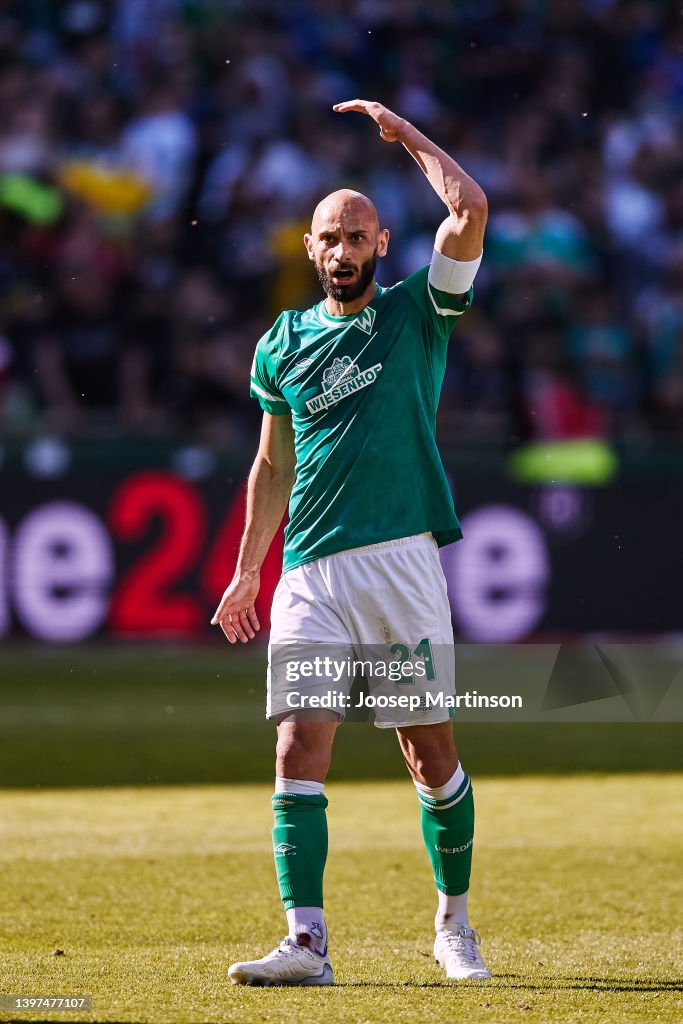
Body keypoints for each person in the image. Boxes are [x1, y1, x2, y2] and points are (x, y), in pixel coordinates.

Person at [211, 99, 489, 986]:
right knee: (297, 744)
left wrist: (406, 138)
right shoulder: (279, 345)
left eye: (358, 236)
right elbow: (269, 465)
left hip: (400, 562)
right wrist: (248, 569)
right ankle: (306, 942)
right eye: (329, 237)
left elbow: (470, 211)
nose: (343, 251)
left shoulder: (418, 314)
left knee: (428, 752)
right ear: (309, 248)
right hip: (308, 575)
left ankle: (453, 922)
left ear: (379, 246)